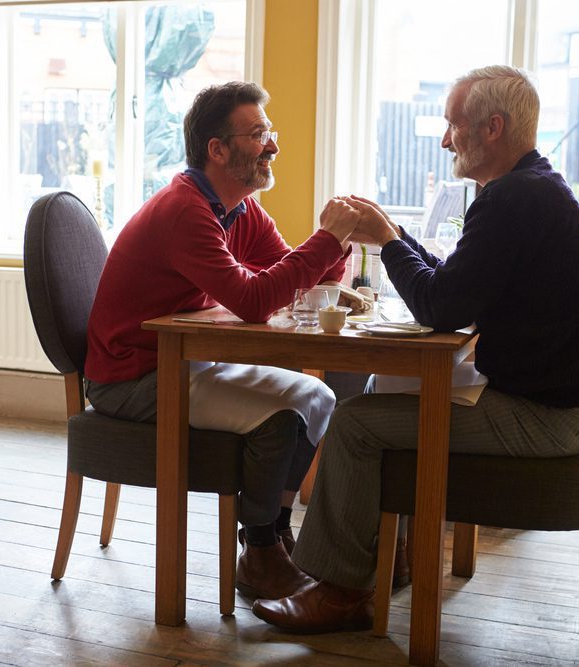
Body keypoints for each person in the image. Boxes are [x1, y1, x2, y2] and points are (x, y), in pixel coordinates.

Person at [252, 65, 579, 632]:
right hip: (556, 405)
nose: (446, 140)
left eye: (454, 125)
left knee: (355, 424)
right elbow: (453, 286)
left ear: (492, 128)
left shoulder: (512, 200)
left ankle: (341, 592)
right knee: (379, 392)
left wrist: (391, 239)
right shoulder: (532, 189)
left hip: (543, 420)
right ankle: (382, 558)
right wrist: (392, 235)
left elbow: (441, 308)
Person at [84, 81, 359, 601]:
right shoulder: (185, 211)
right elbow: (256, 301)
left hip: (186, 365)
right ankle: (258, 551)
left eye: (268, 132)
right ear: (218, 149)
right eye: (259, 134)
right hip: (132, 378)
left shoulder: (240, 209)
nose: (273, 145)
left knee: (316, 396)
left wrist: (339, 245)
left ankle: (276, 537)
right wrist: (327, 241)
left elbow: (287, 281)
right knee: (281, 418)